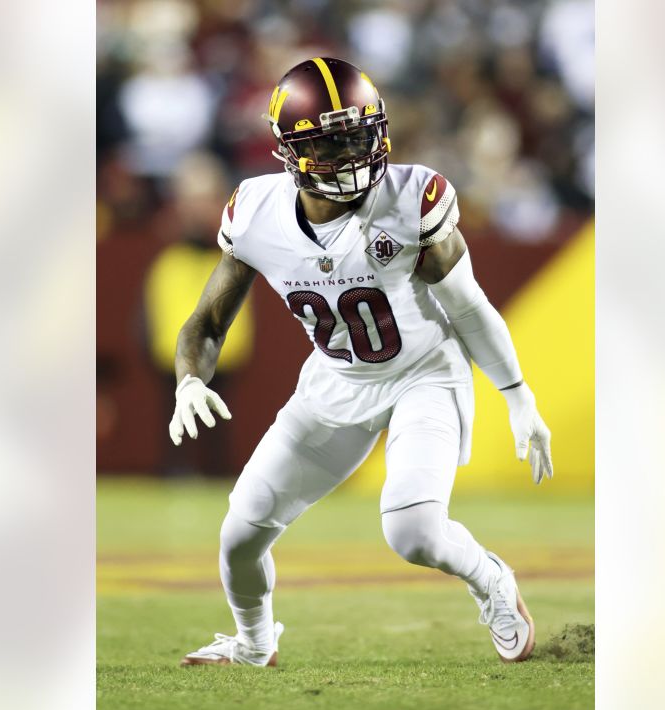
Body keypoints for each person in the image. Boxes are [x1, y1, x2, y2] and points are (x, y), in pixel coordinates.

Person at [169, 57, 554, 667]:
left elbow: (471, 309)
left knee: (413, 531)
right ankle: (253, 644)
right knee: (239, 538)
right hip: (335, 382)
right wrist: (189, 379)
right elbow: (206, 322)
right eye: (329, 144)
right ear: (289, 152)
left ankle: (492, 582)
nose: (350, 155)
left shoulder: (409, 200)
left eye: (358, 136)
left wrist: (517, 394)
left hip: (423, 373)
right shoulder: (256, 213)